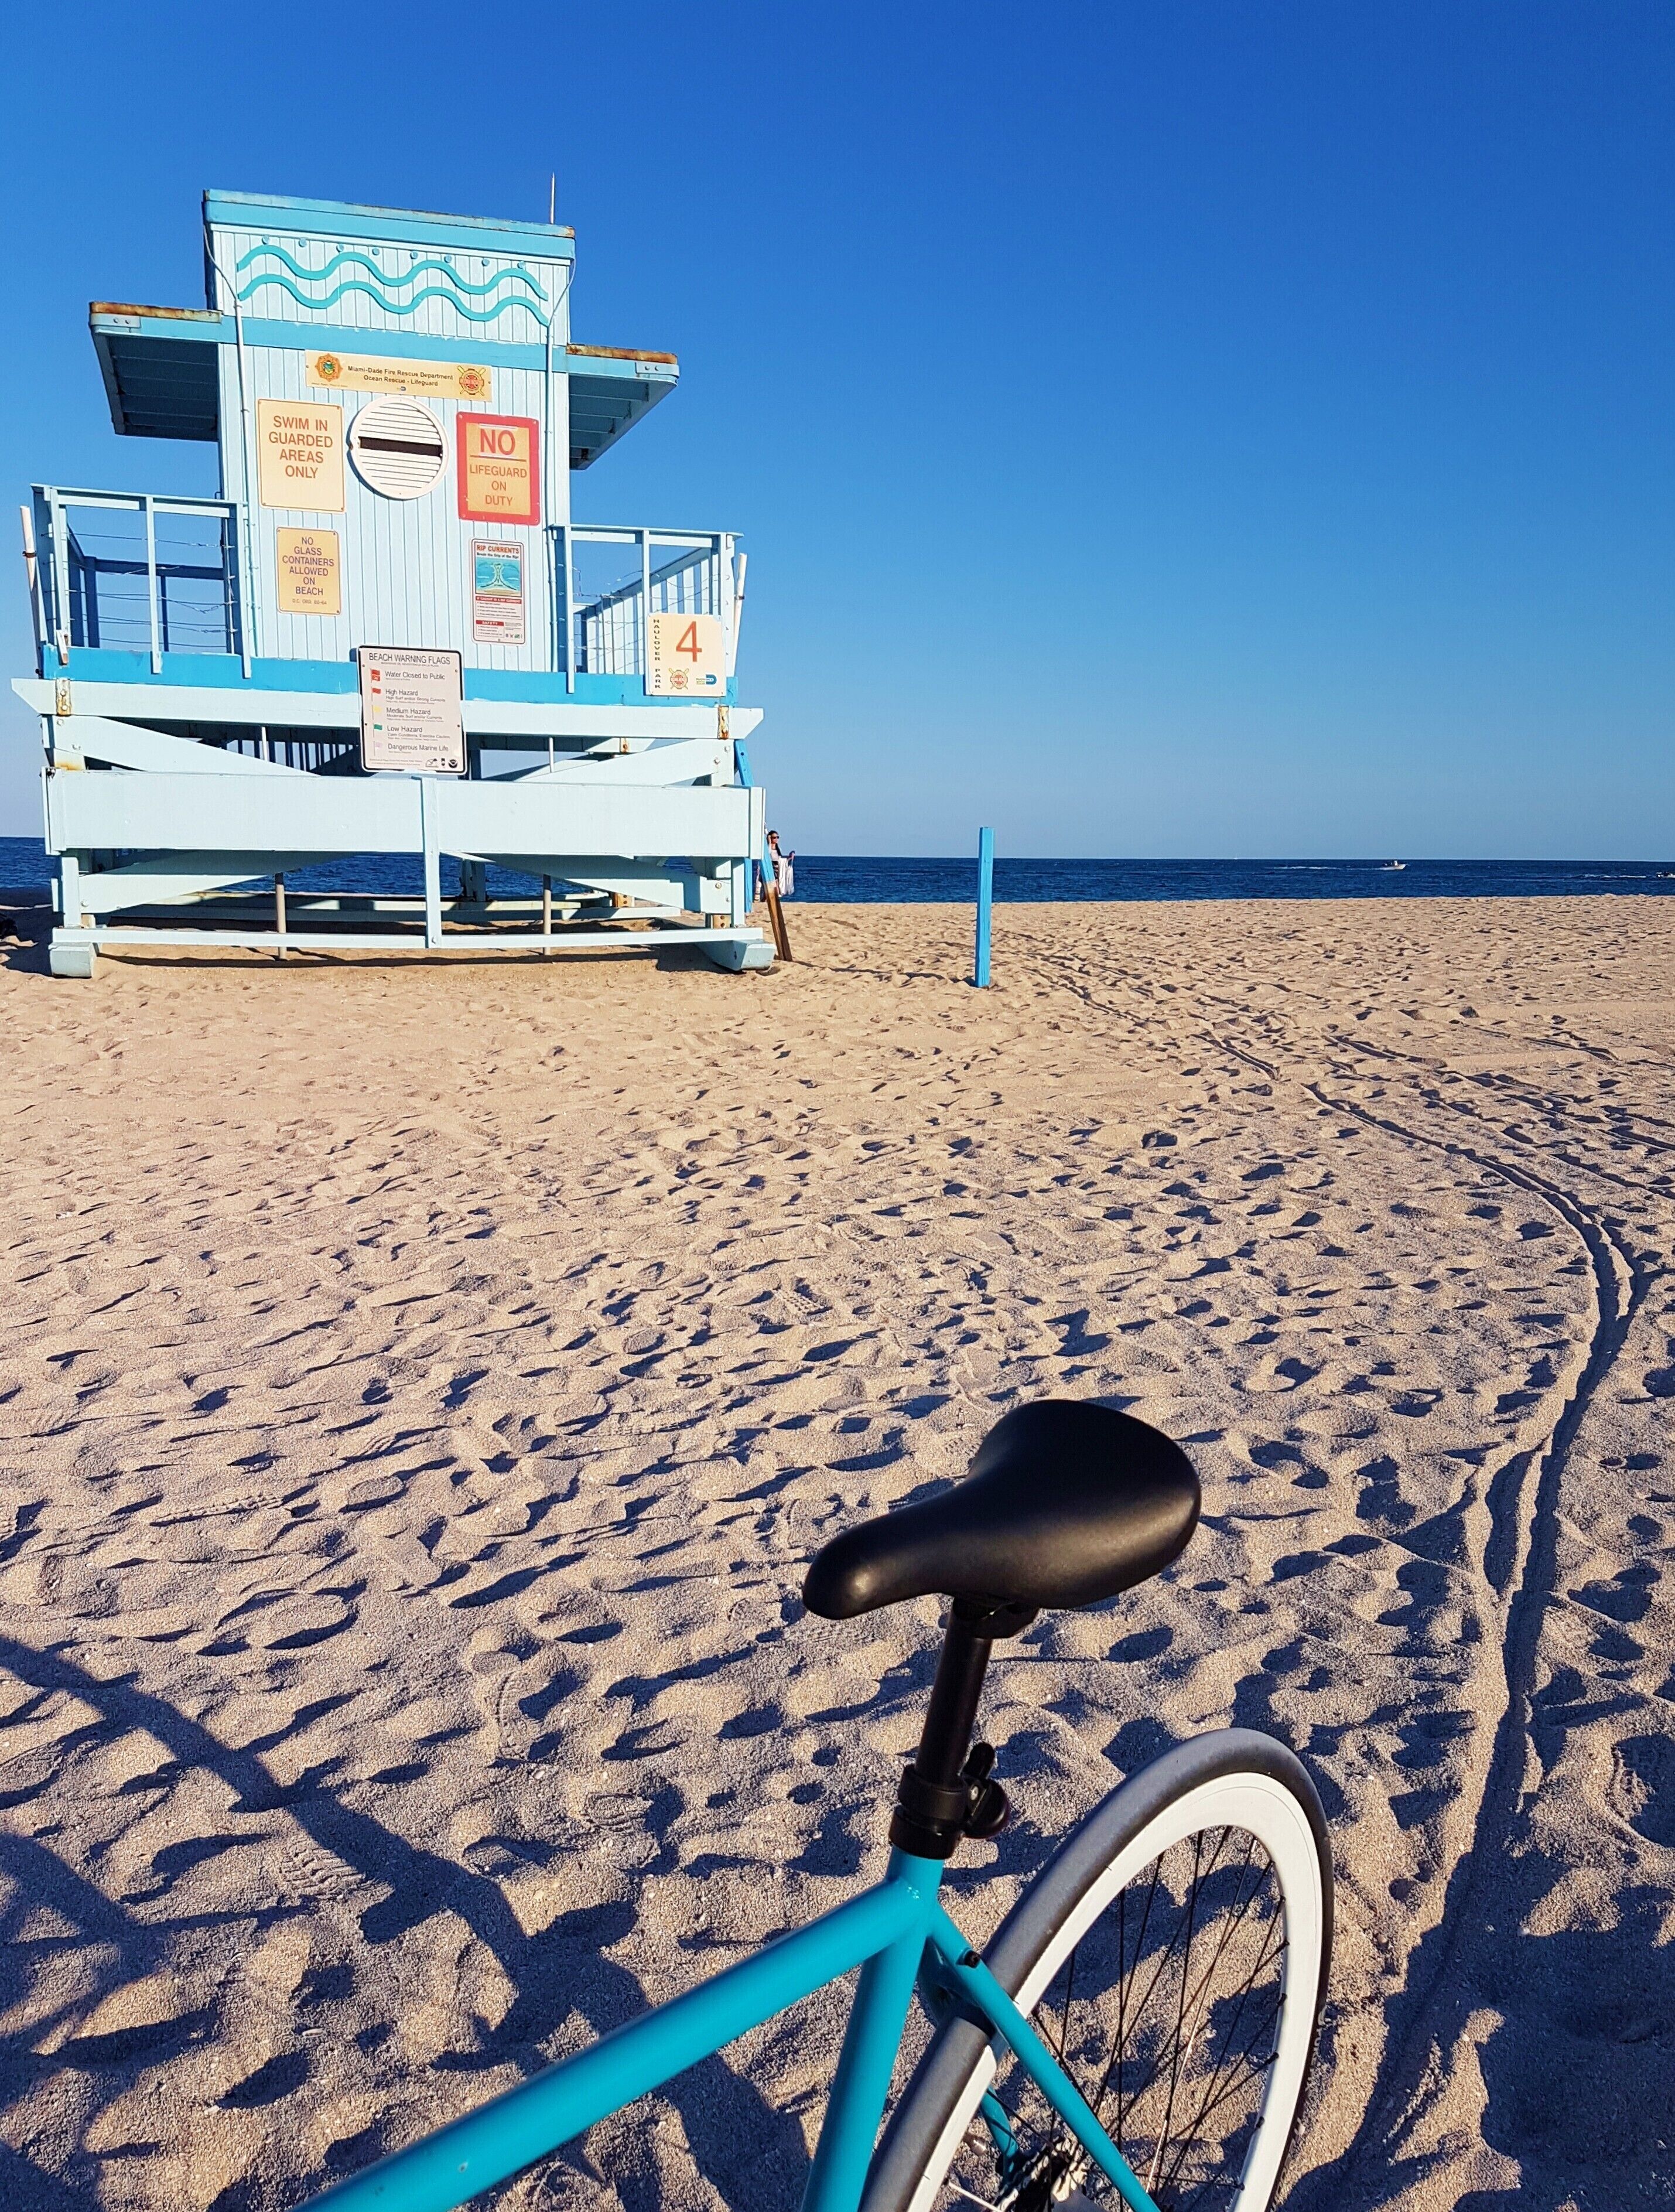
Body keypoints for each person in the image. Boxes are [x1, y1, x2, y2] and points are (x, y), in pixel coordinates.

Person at [767, 830, 795, 899]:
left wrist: (790, 858)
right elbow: (768, 854)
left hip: (777, 867)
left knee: (777, 882)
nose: (776, 839)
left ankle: (774, 897)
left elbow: (780, 860)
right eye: (774, 837)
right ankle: (775, 897)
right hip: (771, 866)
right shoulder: (769, 847)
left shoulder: (778, 848)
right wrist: (769, 842)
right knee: (774, 883)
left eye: (777, 837)